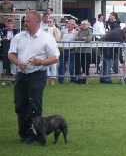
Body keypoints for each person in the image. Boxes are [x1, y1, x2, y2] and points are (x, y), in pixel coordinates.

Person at [8, 10, 59, 144]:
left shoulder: (47, 38)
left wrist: (41, 62)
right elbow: (11, 54)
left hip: (37, 75)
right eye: (24, 21)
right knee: (20, 105)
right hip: (21, 75)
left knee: (34, 105)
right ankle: (24, 134)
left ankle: (38, 134)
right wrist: (18, 62)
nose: (25, 23)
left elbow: (55, 57)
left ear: (36, 22)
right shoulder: (19, 37)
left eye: (27, 21)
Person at [43, 17, 61, 85]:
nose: (49, 23)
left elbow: (58, 38)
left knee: (53, 65)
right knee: (46, 65)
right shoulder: (44, 29)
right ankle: (47, 79)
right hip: (46, 49)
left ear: (54, 22)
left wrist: (50, 40)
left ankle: (53, 80)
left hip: (54, 49)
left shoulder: (56, 30)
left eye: (50, 21)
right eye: (48, 21)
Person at [58, 19, 77, 84]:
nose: (70, 25)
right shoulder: (63, 31)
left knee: (72, 66)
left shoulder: (76, 33)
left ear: (74, 25)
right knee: (61, 65)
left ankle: (72, 80)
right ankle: (60, 80)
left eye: (72, 24)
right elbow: (59, 39)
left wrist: (74, 50)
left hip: (71, 51)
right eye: (69, 23)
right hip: (63, 50)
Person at [74, 20, 93, 85]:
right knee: (78, 65)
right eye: (82, 24)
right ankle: (77, 79)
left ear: (87, 25)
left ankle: (87, 80)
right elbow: (76, 38)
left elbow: (89, 39)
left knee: (86, 66)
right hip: (79, 51)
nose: (83, 25)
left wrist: (82, 38)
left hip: (86, 51)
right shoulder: (79, 31)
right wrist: (83, 38)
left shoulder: (90, 31)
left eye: (84, 24)